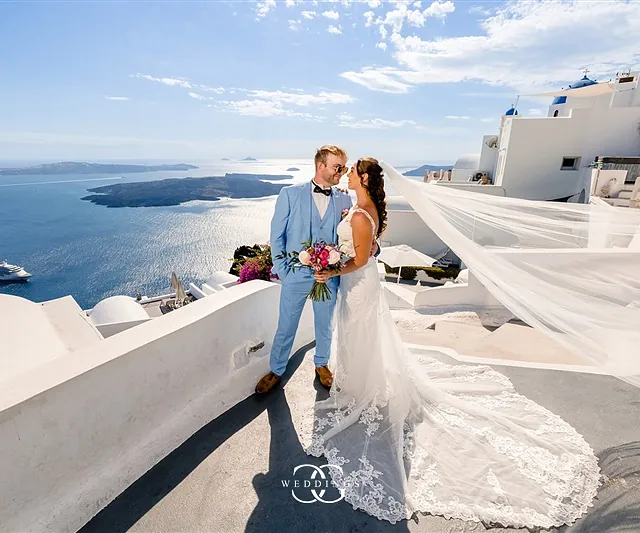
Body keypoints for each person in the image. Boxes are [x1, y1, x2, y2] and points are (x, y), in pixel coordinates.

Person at [307, 157, 600, 527]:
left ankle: (365, 391)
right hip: (356, 288)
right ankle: (361, 385)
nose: (347, 173)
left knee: (361, 337)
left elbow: (362, 258)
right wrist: (336, 261)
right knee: (358, 338)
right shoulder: (359, 209)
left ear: (363, 178)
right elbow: (368, 253)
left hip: (360, 287)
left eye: (352, 171)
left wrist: (329, 267)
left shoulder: (362, 216)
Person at [255, 145, 378, 395]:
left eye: (345, 168)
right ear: (321, 165)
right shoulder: (289, 194)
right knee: (286, 324)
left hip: (329, 276)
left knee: (325, 324)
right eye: (337, 167)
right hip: (295, 275)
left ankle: (321, 364)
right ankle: (276, 369)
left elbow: (359, 233)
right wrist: (285, 271)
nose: (342, 172)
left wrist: (373, 247)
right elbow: (276, 237)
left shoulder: (345, 199)